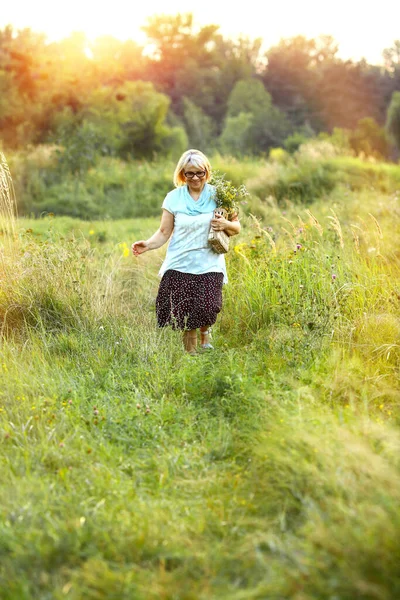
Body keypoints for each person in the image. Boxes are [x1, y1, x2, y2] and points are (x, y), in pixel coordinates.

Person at [131, 149, 240, 354]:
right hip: (180, 262)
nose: (195, 177)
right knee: (186, 313)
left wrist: (224, 223)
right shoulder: (173, 198)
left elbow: (236, 228)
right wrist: (147, 245)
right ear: (182, 174)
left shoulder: (219, 195)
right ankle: (190, 357)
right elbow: (164, 232)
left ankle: (205, 332)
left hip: (210, 263)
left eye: (199, 172)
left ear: (206, 172)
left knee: (207, 307)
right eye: (190, 173)